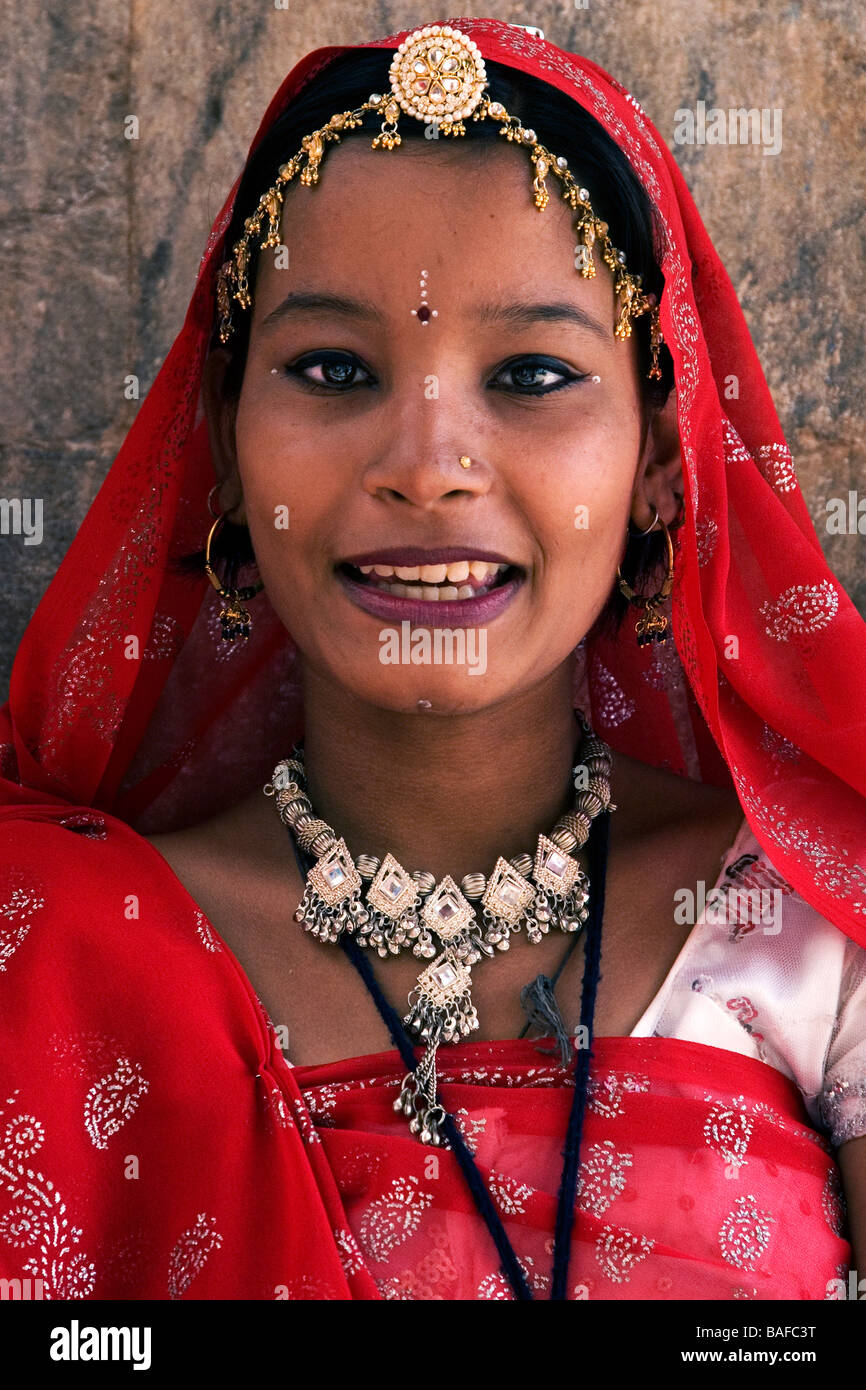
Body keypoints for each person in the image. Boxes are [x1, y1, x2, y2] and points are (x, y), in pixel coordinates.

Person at [1, 16, 864, 1301]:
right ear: (227, 452)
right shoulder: (51, 956)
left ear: (658, 463)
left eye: (528, 372)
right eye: (332, 367)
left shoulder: (810, 931)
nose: (423, 464)